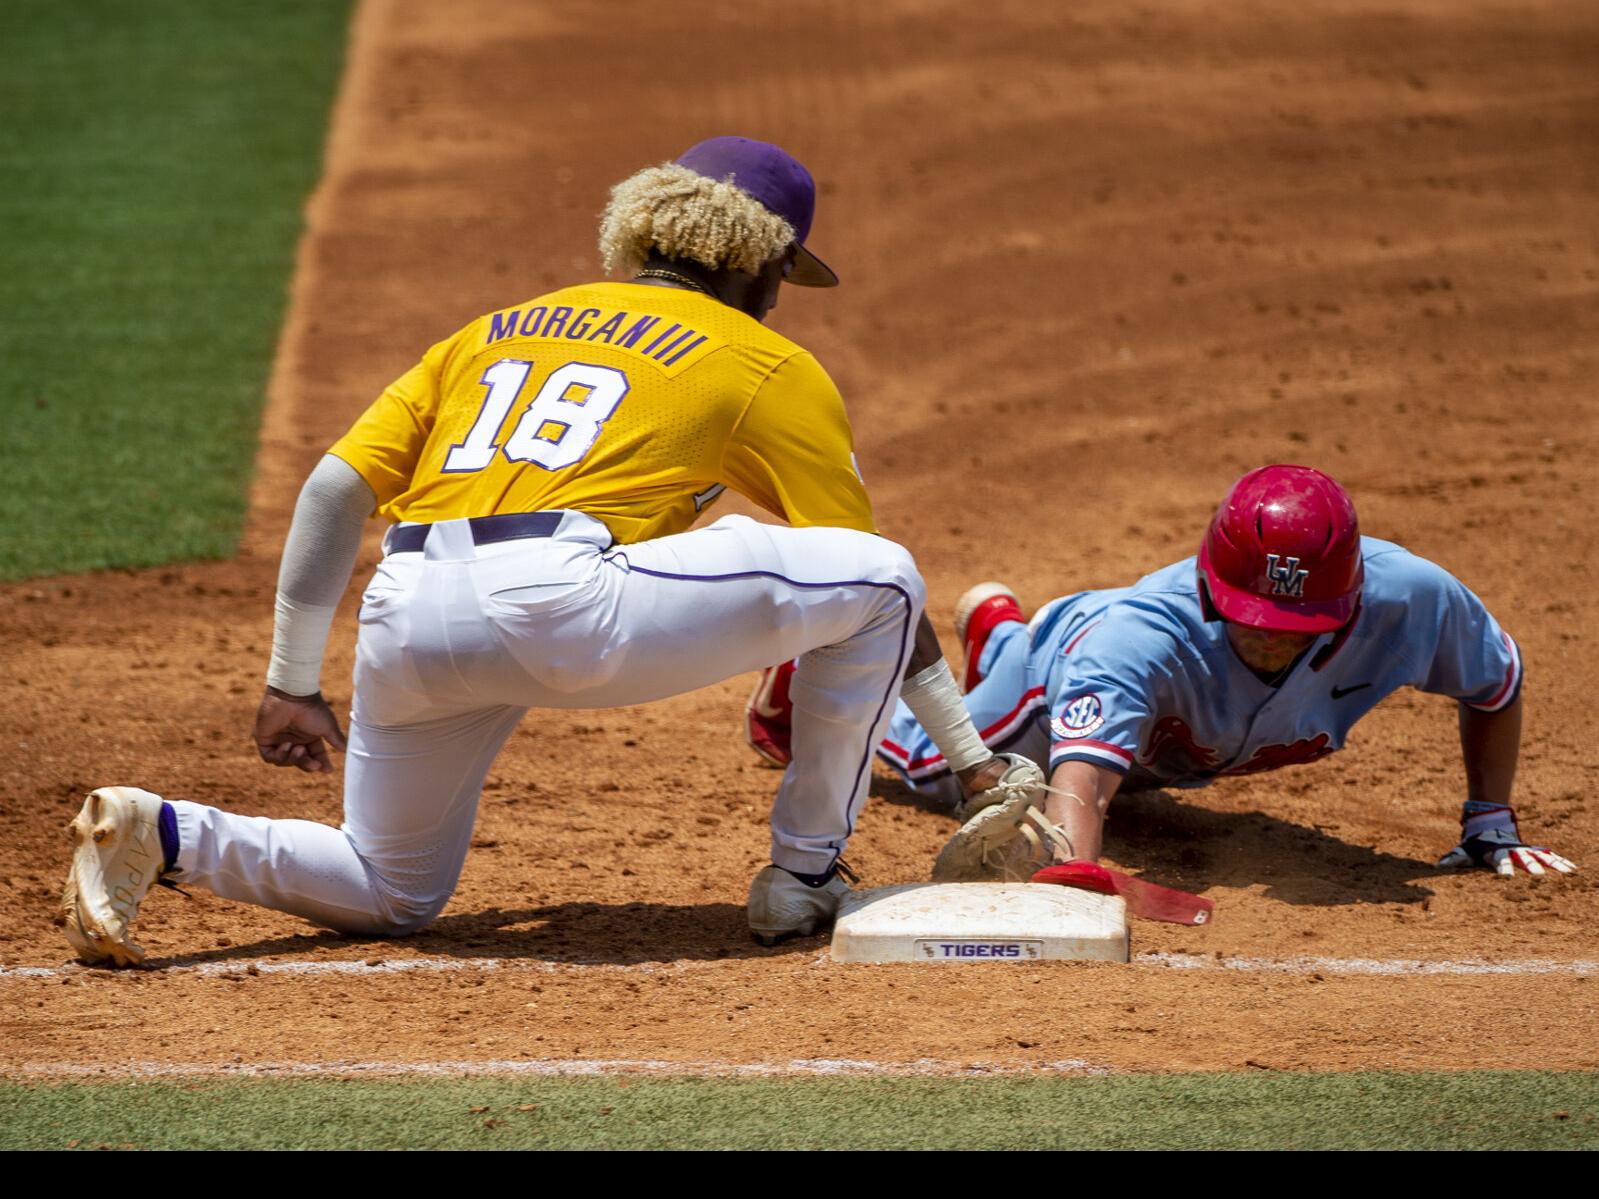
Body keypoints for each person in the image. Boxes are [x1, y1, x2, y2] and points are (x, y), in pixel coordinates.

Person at [59, 136, 1043, 967]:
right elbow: (871, 573)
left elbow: (331, 490)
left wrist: (292, 678)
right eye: (785, 274)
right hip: (563, 606)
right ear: (757, 259)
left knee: (390, 887)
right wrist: (967, 758)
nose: (782, 299)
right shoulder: (764, 361)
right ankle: (805, 874)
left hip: (404, 615)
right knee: (880, 574)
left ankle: (159, 829)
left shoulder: (491, 332)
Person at [752, 465, 1576, 882]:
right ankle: (805, 679)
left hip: (1135, 708)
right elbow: (1080, 794)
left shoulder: (1412, 600)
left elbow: (1494, 684)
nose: (1272, 641)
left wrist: (1488, 824)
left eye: (1297, 627)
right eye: (1252, 622)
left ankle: (999, 628)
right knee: (938, 766)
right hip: (1064, 677)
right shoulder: (1135, 644)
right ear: (1215, 591)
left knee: (1092, 728)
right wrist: (1071, 875)